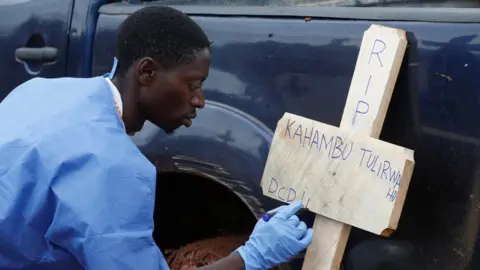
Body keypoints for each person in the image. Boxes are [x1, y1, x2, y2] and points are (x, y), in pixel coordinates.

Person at [0, 5, 313, 270]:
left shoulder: (42, 90)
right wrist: (250, 256)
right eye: (193, 85)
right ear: (147, 73)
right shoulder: (111, 166)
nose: (200, 100)